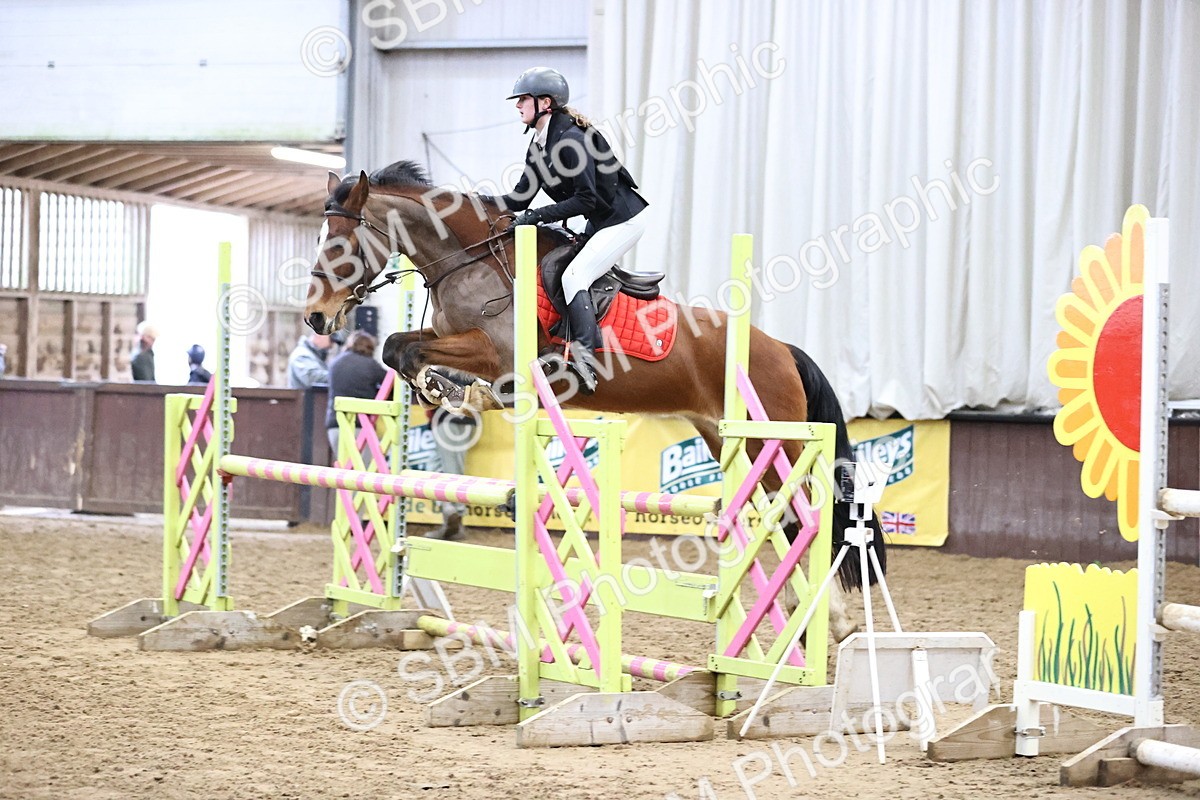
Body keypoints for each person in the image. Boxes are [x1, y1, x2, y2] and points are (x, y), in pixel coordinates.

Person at [499, 66, 649, 395]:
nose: (517, 105)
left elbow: (587, 198)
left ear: (546, 103)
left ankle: (585, 359)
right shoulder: (539, 145)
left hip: (624, 220)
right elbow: (519, 197)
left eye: (523, 99)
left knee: (574, 276)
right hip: (600, 220)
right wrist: (476, 205)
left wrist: (535, 217)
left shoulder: (572, 141)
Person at [324, 331, 387, 459]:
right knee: (365, 472)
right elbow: (391, 384)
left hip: (335, 425)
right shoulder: (371, 365)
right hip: (361, 426)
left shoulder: (335, 363)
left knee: (346, 470)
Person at [425, 407, 479, 541]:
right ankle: (453, 518)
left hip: (448, 416)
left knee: (450, 472)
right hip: (464, 417)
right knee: (443, 468)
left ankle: (451, 511)